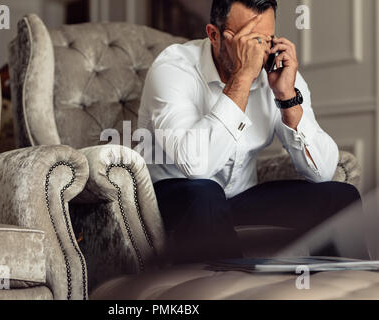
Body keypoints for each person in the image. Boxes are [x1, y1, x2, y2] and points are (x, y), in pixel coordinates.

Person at [137, 0, 365, 262]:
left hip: (238, 197)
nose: (259, 51)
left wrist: (287, 97)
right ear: (214, 35)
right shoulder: (173, 67)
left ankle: (346, 288)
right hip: (176, 196)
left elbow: (323, 171)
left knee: (341, 196)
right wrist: (243, 77)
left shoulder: (276, 71)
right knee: (205, 192)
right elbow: (196, 166)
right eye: (249, 40)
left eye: (265, 39)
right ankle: (231, 290)